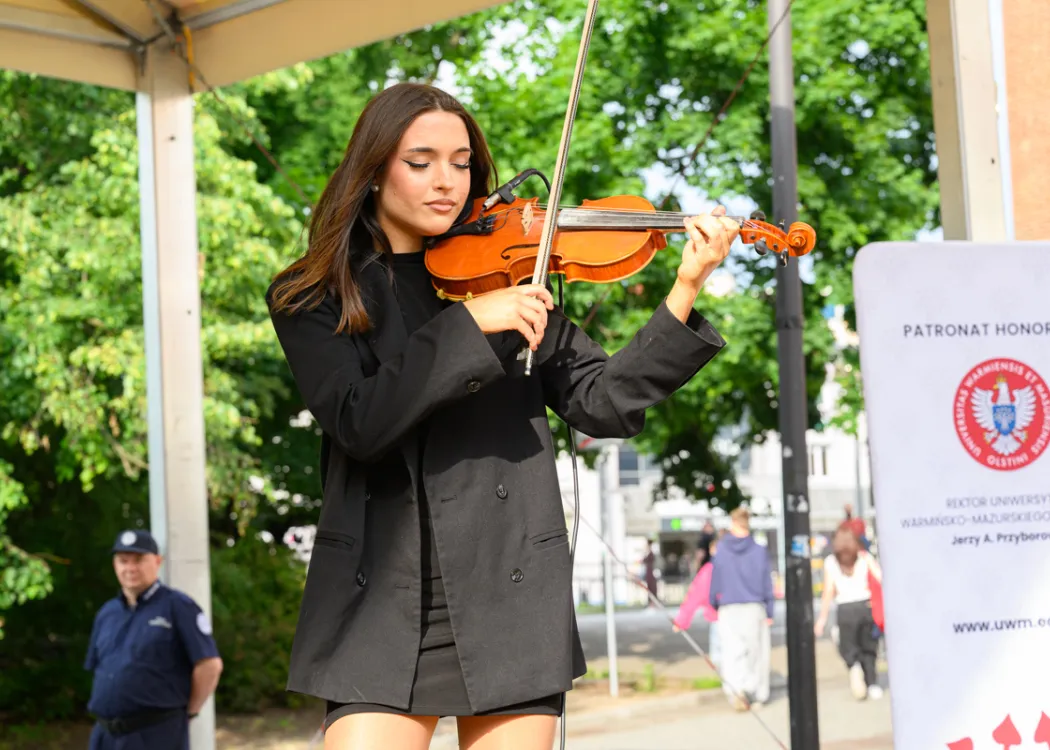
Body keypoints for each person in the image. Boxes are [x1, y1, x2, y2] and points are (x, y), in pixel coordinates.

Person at [266, 82, 738, 750]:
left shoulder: (508, 278)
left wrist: (685, 289)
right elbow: (359, 420)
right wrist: (466, 327)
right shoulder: (311, 295)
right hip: (378, 602)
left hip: (509, 587)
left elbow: (601, 402)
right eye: (421, 161)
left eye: (461, 163)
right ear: (374, 172)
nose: (447, 182)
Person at [84, 530, 223, 750]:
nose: (130, 568)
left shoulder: (178, 606)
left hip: (156, 735)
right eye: (123, 561)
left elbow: (209, 665)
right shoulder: (107, 613)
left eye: (139, 560)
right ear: (115, 565)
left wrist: (191, 711)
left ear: (158, 562)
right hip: (106, 737)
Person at [708, 507, 773, 711]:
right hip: (754, 605)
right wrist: (770, 609)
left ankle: (736, 690)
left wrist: (714, 602)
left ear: (732, 523)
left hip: (728, 605)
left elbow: (715, 579)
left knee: (732, 651)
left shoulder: (722, 550)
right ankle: (756, 693)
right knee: (756, 652)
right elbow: (766, 582)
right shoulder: (758, 550)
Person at [814, 527, 884, 701]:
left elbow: (829, 590)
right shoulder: (864, 557)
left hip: (845, 608)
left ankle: (854, 667)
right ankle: (872, 683)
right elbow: (881, 578)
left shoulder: (831, 562)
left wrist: (822, 619)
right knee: (869, 646)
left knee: (849, 644)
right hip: (865, 605)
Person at [673, 535, 721, 670]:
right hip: (743, 616)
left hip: (718, 618)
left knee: (721, 658)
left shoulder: (709, 570)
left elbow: (694, 596)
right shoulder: (738, 566)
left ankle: (732, 687)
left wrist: (681, 621)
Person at [642, 539, 659, 607]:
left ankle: (653, 603)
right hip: (648, 573)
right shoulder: (648, 553)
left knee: (652, 588)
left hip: (651, 573)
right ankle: (650, 603)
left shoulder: (652, 553)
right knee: (649, 588)